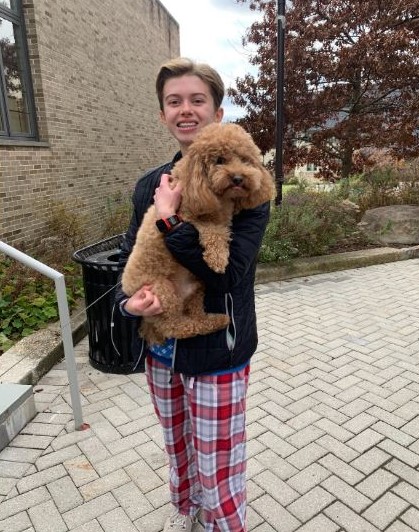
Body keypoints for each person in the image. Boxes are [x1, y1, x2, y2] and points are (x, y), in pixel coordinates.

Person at [115, 57, 271, 532]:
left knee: (218, 459)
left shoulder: (247, 187)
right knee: (178, 445)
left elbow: (228, 275)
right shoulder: (151, 184)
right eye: (174, 101)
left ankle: (224, 523)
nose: (186, 109)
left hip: (217, 351)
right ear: (163, 114)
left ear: (217, 111)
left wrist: (168, 221)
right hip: (161, 346)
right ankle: (191, 514)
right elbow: (129, 256)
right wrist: (130, 304)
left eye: (197, 100)